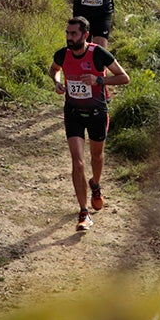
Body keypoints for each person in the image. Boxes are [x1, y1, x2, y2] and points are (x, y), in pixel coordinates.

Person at [49, 16, 130, 231]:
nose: (69, 38)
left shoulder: (98, 54)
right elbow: (53, 69)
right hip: (73, 112)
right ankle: (83, 212)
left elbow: (124, 77)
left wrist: (99, 80)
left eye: (73, 34)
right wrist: (57, 83)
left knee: (96, 156)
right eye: (67, 33)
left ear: (85, 35)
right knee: (77, 162)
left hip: (97, 112)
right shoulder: (62, 54)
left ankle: (95, 184)